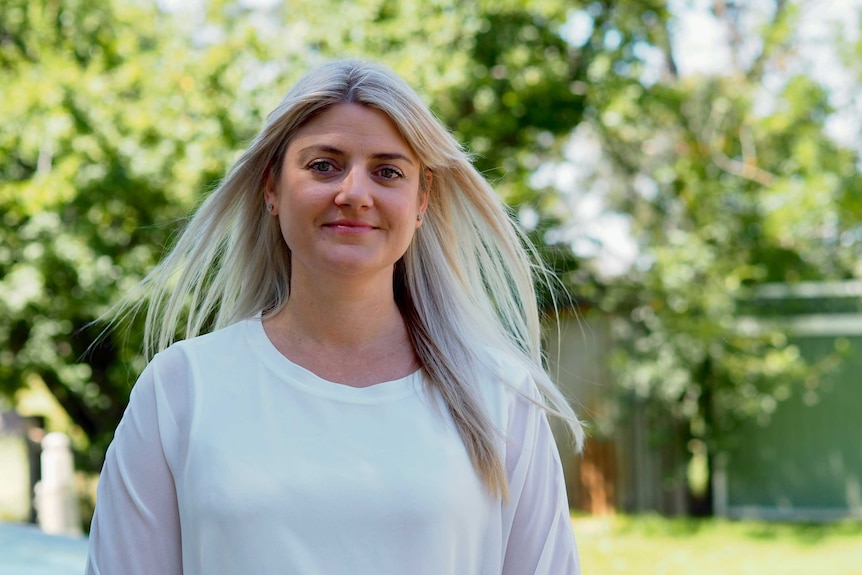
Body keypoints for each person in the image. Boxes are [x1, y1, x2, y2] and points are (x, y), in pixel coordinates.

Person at [85, 59, 584, 575]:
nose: (354, 194)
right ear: (271, 187)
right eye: (324, 165)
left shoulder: (500, 396)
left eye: (388, 171)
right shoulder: (180, 389)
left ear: (422, 200)